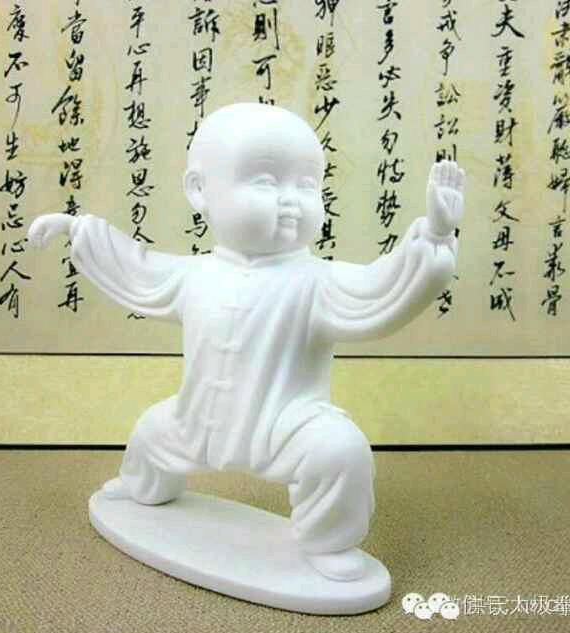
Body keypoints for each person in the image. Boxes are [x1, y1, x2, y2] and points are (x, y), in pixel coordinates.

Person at [28, 102, 464, 581]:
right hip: (196, 417)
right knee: (151, 432)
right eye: (265, 182)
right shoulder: (194, 275)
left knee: (340, 452)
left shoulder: (318, 282)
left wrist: (435, 237)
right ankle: (142, 488)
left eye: (307, 185)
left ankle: (328, 542)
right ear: (200, 190)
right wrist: (78, 230)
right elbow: (137, 267)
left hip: (286, 422)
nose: (291, 200)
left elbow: (385, 287)